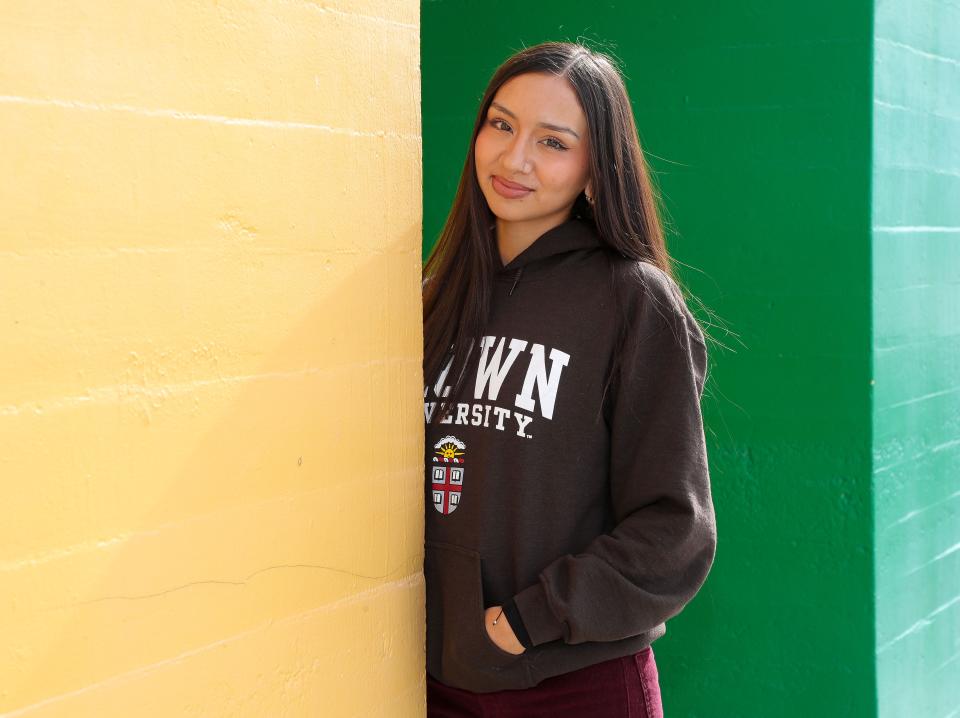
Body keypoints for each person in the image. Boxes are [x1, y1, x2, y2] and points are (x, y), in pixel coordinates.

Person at [421, 41, 717, 718]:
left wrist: (529, 621)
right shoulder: (434, 299)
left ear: (595, 168)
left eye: (553, 142)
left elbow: (677, 530)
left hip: (571, 682)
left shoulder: (633, 302)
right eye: (501, 124)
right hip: (436, 682)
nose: (514, 158)